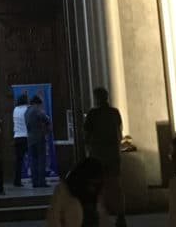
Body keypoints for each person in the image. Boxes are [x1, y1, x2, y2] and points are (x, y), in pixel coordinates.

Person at [83, 86, 127, 227]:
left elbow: (87, 133)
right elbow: (120, 130)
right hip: (113, 154)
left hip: (98, 155)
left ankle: (100, 215)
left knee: (98, 186)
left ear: (96, 98)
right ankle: (120, 215)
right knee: (116, 186)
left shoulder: (92, 114)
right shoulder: (114, 112)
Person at [45, 156, 111, 227]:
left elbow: (102, 217)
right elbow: (54, 217)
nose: (92, 188)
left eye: (96, 184)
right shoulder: (63, 190)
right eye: (91, 183)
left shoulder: (97, 191)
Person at [25, 93, 52, 189]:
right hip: (39, 138)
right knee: (41, 160)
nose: (41, 106)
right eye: (40, 104)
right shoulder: (37, 110)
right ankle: (41, 181)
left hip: (30, 138)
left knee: (33, 160)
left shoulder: (27, 111)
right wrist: (47, 128)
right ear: (37, 103)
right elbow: (46, 119)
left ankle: (35, 182)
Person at [12, 91, 30, 187]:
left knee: (18, 161)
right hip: (26, 137)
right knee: (33, 158)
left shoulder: (15, 110)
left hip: (17, 137)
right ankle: (35, 179)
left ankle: (17, 181)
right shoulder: (27, 109)